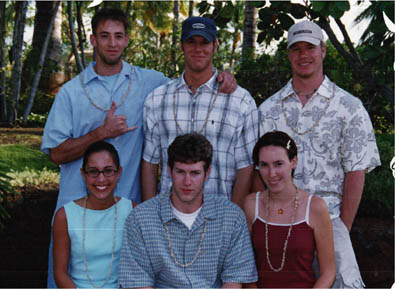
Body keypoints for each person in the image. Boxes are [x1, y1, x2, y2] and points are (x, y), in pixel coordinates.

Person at [41, 8, 236, 287]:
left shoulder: (150, 83)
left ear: (127, 40)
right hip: (78, 213)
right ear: (93, 40)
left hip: (127, 214)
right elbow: (56, 154)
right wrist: (100, 133)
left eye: (118, 36)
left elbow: (192, 82)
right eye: (105, 36)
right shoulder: (71, 93)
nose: (112, 43)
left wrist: (223, 77)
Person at [255, 20, 381, 288]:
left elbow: (356, 171)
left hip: (332, 220)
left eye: (310, 48)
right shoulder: (268, 110)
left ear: (323, 51)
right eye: (296, 49)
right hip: (279, 223)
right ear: (288, 54)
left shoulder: (349, 107)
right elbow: (259, 173)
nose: (304, 55)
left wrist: (342, 228)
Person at [142, 17, 257, 206]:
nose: (198, 49)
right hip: (169, 218)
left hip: (220, 216)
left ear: (215, 46)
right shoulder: (157, 100)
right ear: (181, 46)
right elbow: (150, 163)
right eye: (191, 42)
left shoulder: (240, 101)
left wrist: (234, 217)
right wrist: (149, 216)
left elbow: (245, 167)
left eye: (205, 42)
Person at [118, 133, 257, 288]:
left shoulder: (231, 216)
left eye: (195, 173)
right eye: (180, 172)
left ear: (207, 173)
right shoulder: (141, 218)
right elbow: (138, 282)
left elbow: (234, 280)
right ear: (170, 171)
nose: (187, 181)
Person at [243, 131, 335, 288]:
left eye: (278, 164)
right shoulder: (251, 204)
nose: (271, 174)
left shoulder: (315, 207)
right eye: (264, 165)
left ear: (293, 161)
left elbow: (328, 272)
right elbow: (245, 266)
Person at [53, 141, 135, 288]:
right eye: (93, 171)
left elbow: (142, 270)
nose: (101, 179)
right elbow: (60, 274)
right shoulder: (65, 216)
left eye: (108, 170)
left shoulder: (133, 212)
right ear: (83, 174)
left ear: (119, 173)